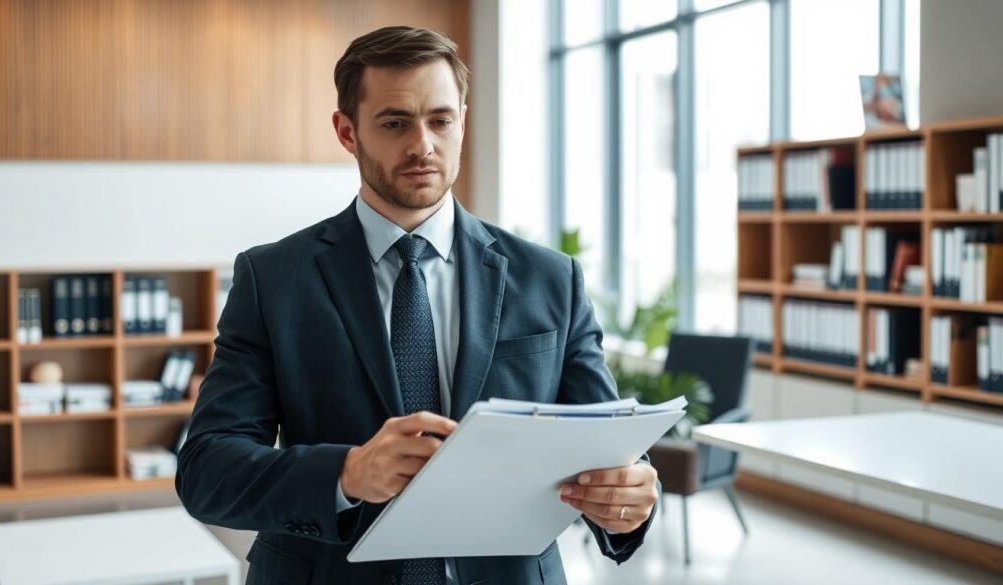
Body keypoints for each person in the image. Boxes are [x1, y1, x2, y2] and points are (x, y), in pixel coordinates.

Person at [176, 25, 660, 585]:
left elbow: (603, 443)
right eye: (394, 122)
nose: (422, 145)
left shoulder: (552, 278)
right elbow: (207, 471)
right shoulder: (273, 278)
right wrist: (347, 472)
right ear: (347, 131)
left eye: (440, 119)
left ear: (463, 119)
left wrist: (629, 496)